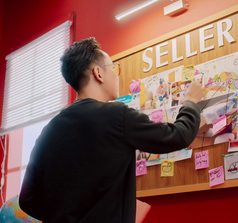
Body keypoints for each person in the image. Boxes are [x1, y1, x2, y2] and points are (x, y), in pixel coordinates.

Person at [19, 37, 205, 223]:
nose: (116, 75)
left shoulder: (48, 131)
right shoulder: (117, 116)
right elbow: (178, 135)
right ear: (98, 73)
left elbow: (27, 201)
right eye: (113, 68)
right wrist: (191, 102)